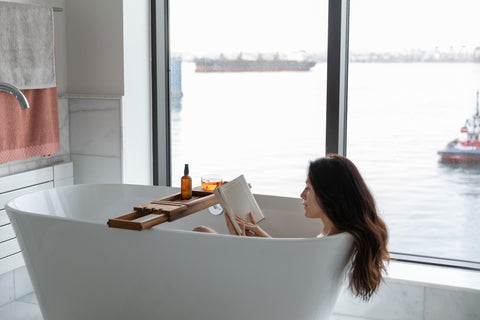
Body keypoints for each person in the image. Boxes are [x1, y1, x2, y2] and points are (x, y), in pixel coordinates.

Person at [193, 154, 389, 301]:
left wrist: (238, 242)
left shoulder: (327, 241)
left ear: (329, 196)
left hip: (265, 300)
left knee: (202, 233)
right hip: (281, 296)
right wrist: (262, 239)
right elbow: (292, 268)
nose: (302, 195)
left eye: (309, 188)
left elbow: (276, 281)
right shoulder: (337, 235)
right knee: (204, 233)